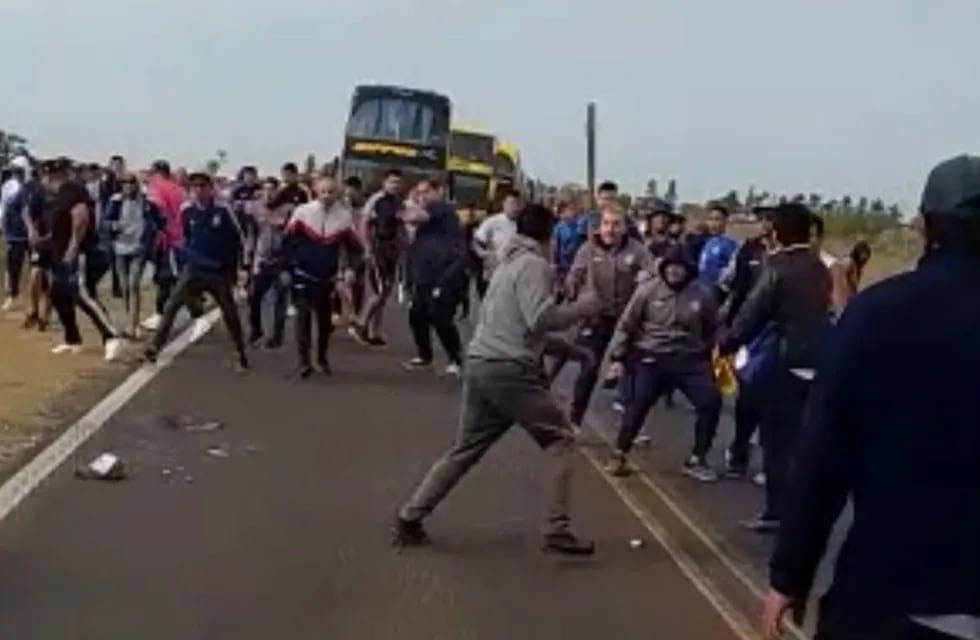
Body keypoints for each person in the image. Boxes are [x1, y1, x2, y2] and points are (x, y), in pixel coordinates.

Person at [762, 154, 980, 640]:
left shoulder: (879, 314)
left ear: (925, 226)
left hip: (895, 594)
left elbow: (823, 456)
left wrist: (790, 576)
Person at [393, 203, 601, 556]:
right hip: (510, 370)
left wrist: (571, 351)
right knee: (561, 440)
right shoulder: (534, 265)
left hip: (482, 362)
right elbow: (540, 319)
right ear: (549, 235)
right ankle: (557, 529)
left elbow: (520, 326)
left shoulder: (506, 262)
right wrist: (585, 306)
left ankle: (411, 516)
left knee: (465, 449)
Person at [719, 202, 831, 533]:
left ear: (779, 231)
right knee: (803, 440)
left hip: (785, 362)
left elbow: (753, 313)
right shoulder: (818, 265)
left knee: (777, 442)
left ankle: (777, 512)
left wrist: (726, 343)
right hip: (819, 361)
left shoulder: (777, 266)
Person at [603, 246, 721, 481]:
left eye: (680, 268)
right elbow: (626, 325)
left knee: (711, 402)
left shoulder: (702, 294)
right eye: (671, 267)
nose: (675, 272)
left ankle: (697, 458)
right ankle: (619, 453)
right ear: (663, 268)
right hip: (652, 356)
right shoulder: (647, 291)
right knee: (639, 403)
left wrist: (719, 352)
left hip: (690, 358)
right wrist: (617, 357)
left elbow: (714, 328)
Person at [561, 204, 654, 428]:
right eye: (606, 224)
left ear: (624, 227)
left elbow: (653, 274)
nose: (610, 230)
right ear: (599, 226)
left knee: (636, 372)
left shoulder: (637, 250)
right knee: (589, 366)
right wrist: (573, 290)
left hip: (627, 319)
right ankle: (575, 418)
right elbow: (573, 277)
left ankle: (632, 424)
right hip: (597, 317)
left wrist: (646, 278)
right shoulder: (587, 249)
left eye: (615, 224)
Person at [144, 172, 247, 371]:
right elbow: (184, 239)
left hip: (219, 271)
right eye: (195, 187)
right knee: (172, 305)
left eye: (203, 186)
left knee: (229, 312)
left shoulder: (223, 210)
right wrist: (185, 263)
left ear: (210, 188)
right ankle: (155, 346)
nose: (199, 190)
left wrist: (237, 270)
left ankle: (239, 351)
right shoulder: (186, 211)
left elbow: (238, 240)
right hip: (194, 269)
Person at [41, 158, 124, 360]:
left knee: (83, 295)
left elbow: (81, 217)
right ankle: (72, 339)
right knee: (59, 295)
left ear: (52, 176)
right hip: (60, 253)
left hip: (79, 253)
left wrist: (73, 246)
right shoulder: (58, 196)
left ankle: (111, 336)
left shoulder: (71, 190)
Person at [283, 176, 363, 378]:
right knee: (303, 318)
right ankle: (304, 362)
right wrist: (288, 267)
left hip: (327, 276)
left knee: (324, 320)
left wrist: (350, 269)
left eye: (331, 192)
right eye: (323, 192)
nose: (327, 196)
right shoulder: (302, 213)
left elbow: (355, 248)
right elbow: (288, 242)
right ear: (315, 192)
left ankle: (321, 357)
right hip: (302, 273)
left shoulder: (344, 217)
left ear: (337, 193)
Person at [722, 207, 775, 477]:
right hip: (751, 331)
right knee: (749, 393)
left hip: (778, 335)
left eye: (772, 220)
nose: (766, 224)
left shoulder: (787, 255)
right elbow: (737, 288)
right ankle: (739, 450)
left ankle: (770, 461)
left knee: (775, 399)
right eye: (763, 219)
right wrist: (730, 329)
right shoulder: (749, 250)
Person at [400, 177, 467, 375]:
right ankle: (424, 356)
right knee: (417, 315)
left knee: (441, 317)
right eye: (419, 192)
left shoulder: (442, 208)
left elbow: (412, 216)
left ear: (438, 191)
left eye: (426, 191)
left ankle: (455, 359)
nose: (423, 196)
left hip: (446, 272)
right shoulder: (429, 217)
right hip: (424, 273)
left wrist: (409, 203)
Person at [101, 173, 166, 337]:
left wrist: (153, 238)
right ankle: (130, 319)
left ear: (136, 185)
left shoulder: (147, 203)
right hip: (120, 248)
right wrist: (116, 227)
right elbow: (105, 222)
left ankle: (133, 324)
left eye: (131, 182)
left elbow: (160, 221)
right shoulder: (115, 201)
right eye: (124, 182)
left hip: (139, 249)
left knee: (133, 284)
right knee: (124, 287)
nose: (127, 185)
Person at [352, 168, 404, 347]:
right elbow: (363, 224)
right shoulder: (376, 200)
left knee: (386, 292)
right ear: (384, 182)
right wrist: (366, 247)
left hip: (392, 251)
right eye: (392, 182)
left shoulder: (398, 202)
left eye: (398, 182)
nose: (395, 186)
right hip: (377, 250)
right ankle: (360, 324)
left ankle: (375, 331)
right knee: (379, 291)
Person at [245, 177, 290, 349]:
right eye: (265, 189)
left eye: (272, 189)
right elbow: (251, 236)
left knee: (280, 299)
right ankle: (256, 329)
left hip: (282, 261)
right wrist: (247, 262)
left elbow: (294, 236)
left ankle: (276, 336)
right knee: (253, 297)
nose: (269, 193)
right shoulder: (255, 209)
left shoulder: (288, 210)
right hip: (261, 259)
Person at [143, 160, 187, 332]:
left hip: (167, 239)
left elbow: (155, 209)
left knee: (165, 278)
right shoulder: (177, 188)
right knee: (173, 277)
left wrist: (156, 229)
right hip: (181, 238)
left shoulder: (158, 187)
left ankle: (163, 313)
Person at [472, 189, 521, 288]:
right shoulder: (492, 221)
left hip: (512, 275)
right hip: (492, 274)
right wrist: (483, 254)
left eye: (517, 204)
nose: (514, 208)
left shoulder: (522, 224)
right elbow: (476, 242)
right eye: (511, 204)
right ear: (504, 204)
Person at [1, 158, 29, 311]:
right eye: (14, 171)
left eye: (19, 171)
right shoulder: (8, 186)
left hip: (30, 234)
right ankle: (12, 294)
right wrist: (2, 226)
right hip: (14, 233)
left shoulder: (30, 187)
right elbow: (3, 207)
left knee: (38, 268)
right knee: (13, 265)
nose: (16, 174)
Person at [698, 204, 739, 299]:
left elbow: (733, 273)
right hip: (702, 291)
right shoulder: (708, 242)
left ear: (725, 221)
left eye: (717, 219)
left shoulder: (730, 244)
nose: (713, 223)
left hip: (718, 294)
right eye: (710, 219)